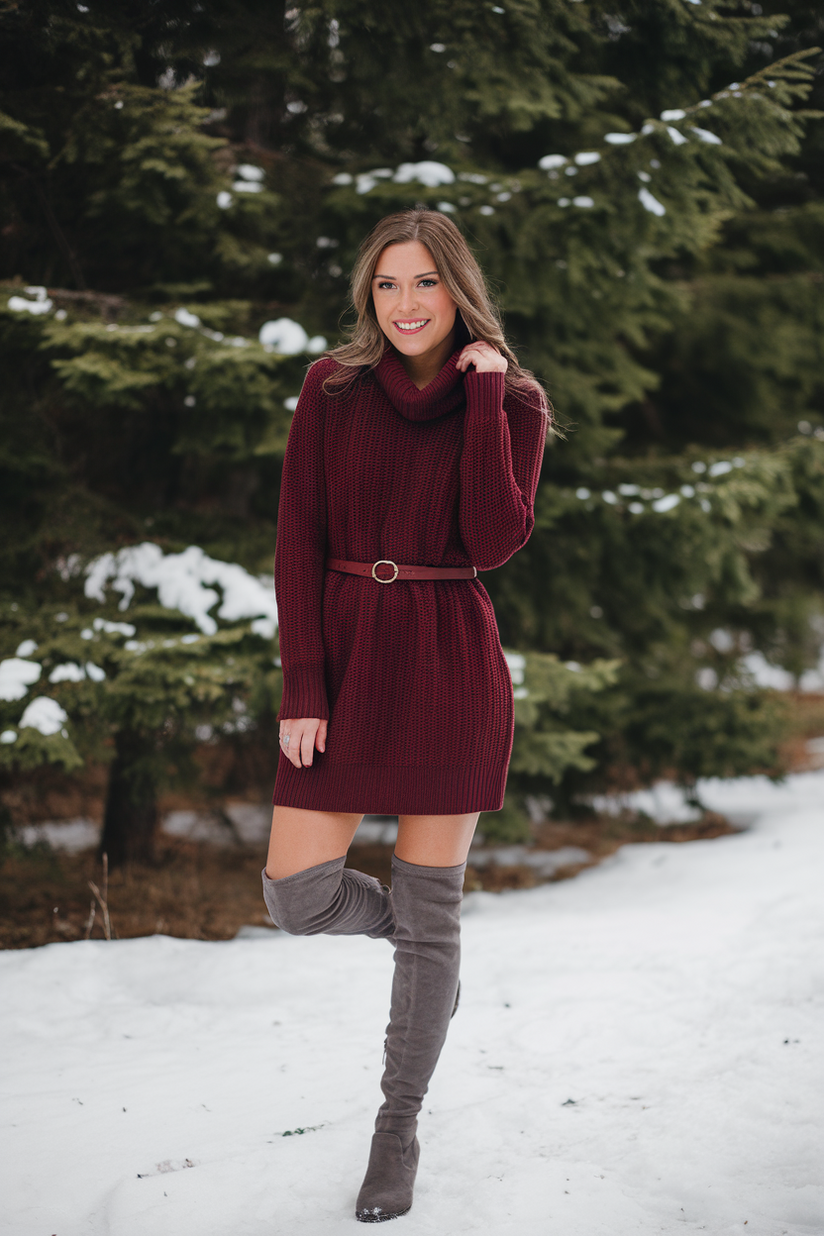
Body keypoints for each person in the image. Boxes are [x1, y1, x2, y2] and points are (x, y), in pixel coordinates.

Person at [262, 207, 551, 1222]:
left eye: (423, 282)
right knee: (295, 895)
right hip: (343, 658)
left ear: (455, 289)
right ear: (366, 296)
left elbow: (493, 534)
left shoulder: (510, 400)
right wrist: (304, 683)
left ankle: (396, 1127)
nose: (404, 303)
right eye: (386, 285)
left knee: (434, 907)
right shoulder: (330, 389)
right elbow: (298, 535)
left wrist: (480, 396)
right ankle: (427, 955)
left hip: (446, 664)